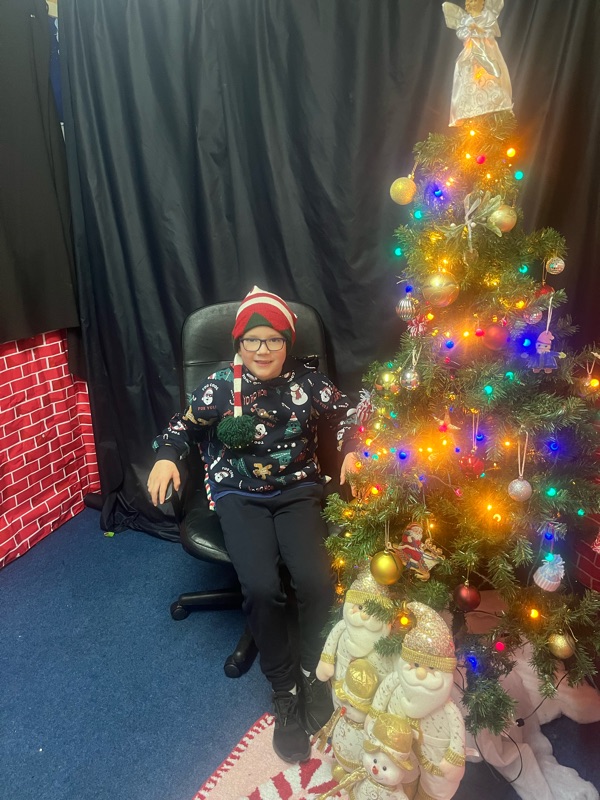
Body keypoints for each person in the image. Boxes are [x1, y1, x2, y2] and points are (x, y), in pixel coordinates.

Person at [147, 286, 360, 763]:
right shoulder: (220, 386)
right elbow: (182, 427)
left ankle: (314, 674)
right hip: (238, 495)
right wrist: (167, 456)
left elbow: (348, 414)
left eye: (274, 340)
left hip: (298, 490)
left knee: (317, 583)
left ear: (288, 342)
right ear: (239, 343)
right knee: (262, 588)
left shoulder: (309, 383)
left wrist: (352, 448)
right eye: (252, 340)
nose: (263, 350)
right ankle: (285, 690)